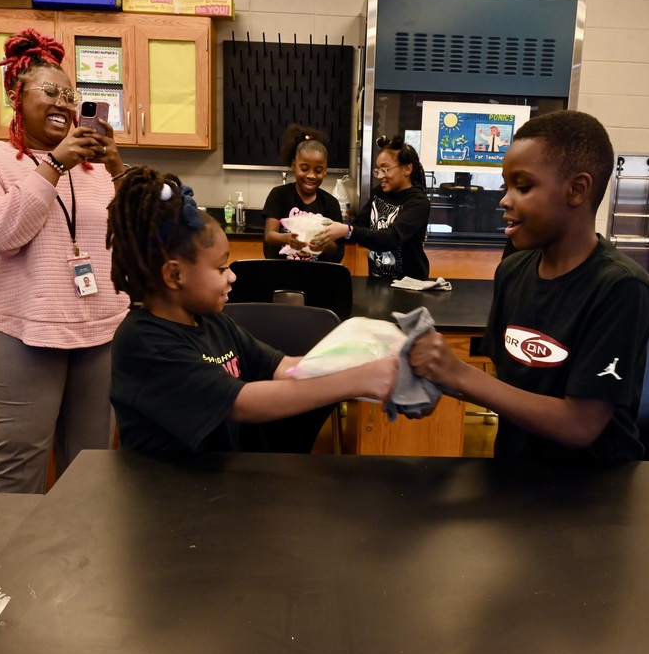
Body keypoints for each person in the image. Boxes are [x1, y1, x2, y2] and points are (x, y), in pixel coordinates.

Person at [408, 110, 649, 464]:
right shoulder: (512, 271)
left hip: (595, 492)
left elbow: (580, 425)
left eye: (523, 187)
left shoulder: (621, 287)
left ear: (577, 190)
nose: (505, 200)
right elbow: (505, 387)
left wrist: (458, 374)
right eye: (505, 186)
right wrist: (430, 375)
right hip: (515, 475)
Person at [107, 166, 397, 454]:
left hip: (220, 487)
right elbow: (241, 402)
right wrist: (354, 381)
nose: (232, 276)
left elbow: (284, 368)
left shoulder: (213, 323)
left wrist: (364, 358)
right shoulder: (143, 344)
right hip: (170, 494)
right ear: (174, 275)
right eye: (221, 269)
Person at [0, 28, 129, 494]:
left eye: (69, 94)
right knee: (18, 459)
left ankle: (78, 564)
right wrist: (52, 164)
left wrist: (118, 169)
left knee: (91, 463)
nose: (62, 102)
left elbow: (141, 233)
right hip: (24, 330)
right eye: (49, 91)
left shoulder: (95, 169)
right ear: (17, 95)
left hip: (101, 329)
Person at [312, 135, 430, 280]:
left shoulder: (418, 202)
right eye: (378, 170)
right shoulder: (378, 193)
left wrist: (347, 231)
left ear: (407, 169)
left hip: (409, 286)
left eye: (385, 169)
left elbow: (390, 238)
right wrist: (325, 235)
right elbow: (361, 225)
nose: (380, 175)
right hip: (378, 281)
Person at [261, 125, 344, 263]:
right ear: (294, 165)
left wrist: (322, 244)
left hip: (316, 276)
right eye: (304, 169)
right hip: (281, 273)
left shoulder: (330, 203)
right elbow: (269, 236)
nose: (311, 176)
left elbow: (336, 248)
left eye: (318, 170)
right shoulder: (279, 195)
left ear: (325, 171)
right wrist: (287, 239)